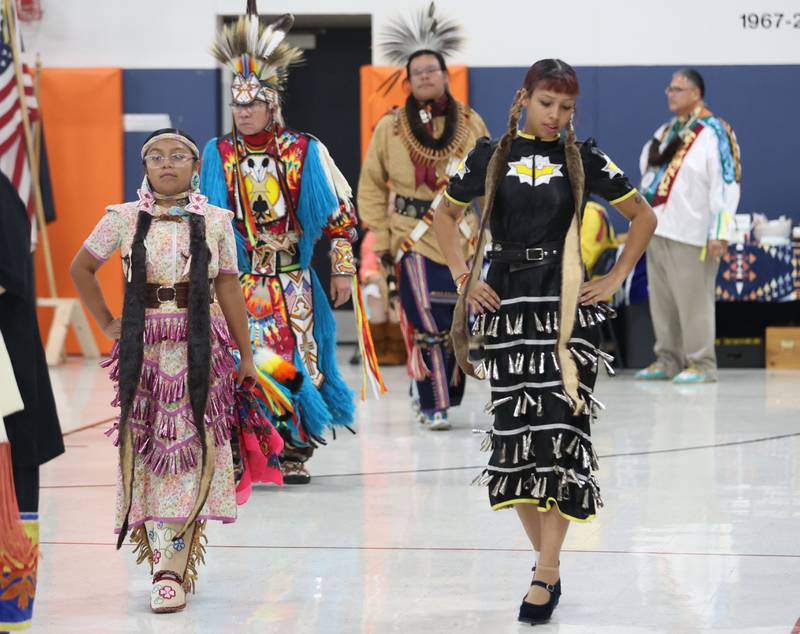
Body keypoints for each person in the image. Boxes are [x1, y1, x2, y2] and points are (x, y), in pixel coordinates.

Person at [433, 59, 656, 624]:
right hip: (506, 313)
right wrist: (465, 277)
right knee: (517, 446)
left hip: (565, 314)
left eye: (566, 108)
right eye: (546, 104)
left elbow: (642, 217)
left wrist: (614, 277)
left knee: (559, 439)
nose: (555, 116)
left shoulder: (584, 159)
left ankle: (545, 573)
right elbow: (443, 219)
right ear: (523, 98)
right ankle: (548, 563)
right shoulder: (490, 155)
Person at [70, 128, 258, 613]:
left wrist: (247, 354)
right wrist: (108, 321)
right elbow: (81, 268)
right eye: (155, 156)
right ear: (145, 166)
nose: (166, 164)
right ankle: (162, 567)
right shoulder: (123, 218)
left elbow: (230, 287)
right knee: (152, 452)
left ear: (196, 167)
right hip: (145, 353)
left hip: (203, 350)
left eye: (178, 156)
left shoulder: (216, 220)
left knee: (194, 450)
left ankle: (175, 563)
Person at [201, 7, 382, 485]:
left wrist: (342, 269)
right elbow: (205, 221)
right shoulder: (217, 155)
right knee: (241, 358)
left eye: (252, 105)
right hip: (237, 282)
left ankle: (294, 447)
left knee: (296, 362)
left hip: (292, 281)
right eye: (237, 106)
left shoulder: (304, 151)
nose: (243, 112)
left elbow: (340, 215)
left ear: (272, 105)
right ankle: (244, 451)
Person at [358, 3, 489, 430]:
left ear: (445, 75)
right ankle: (433, 402)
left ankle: (442, 392)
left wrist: (493, 231)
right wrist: (378, 237)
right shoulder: (391, 127)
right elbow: (373, 183)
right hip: (411, 236)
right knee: (425, 320)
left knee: (459, 321)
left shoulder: (470, 124)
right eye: (418, 73)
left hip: (462, 235)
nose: (426, 77)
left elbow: (490, 179)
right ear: (409, 81)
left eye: (433, 70)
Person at [636, 68, 741, 384]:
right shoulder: (666, 131)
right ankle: (667, 358)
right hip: (659, 228)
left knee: (694, 301)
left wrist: (720, 230)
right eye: (669, 88)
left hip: (693, 232)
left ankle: (702, 363)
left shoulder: (715, 131)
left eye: (677, 88)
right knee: (663, 301)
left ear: (696, 93)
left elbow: (726, 181)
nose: (670, 93)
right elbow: (647, 170)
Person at [0, 171, 64, 631]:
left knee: (14, 478)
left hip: (5, 362)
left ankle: (9, 609)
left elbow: (9, 275)